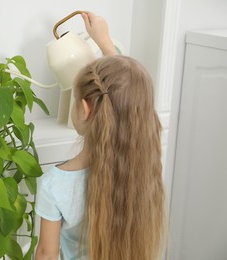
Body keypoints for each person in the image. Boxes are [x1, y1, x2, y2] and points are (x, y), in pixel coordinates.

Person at [35, 11, 166, 260]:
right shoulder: (143, 167)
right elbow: (126, 100)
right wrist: (105, 43)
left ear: (84, 109)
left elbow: (46, 254)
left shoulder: (56, 185)